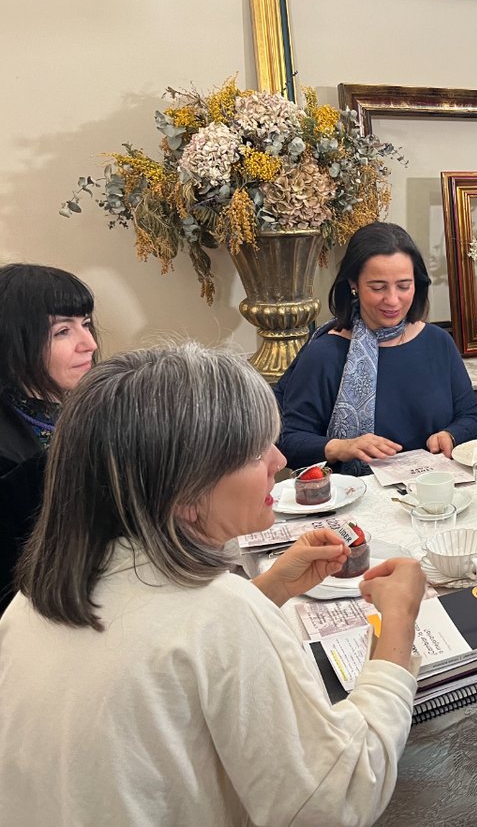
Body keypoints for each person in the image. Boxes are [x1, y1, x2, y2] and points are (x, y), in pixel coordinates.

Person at [0, 342, 427, 825]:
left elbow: (177, 659)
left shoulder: (37, 596)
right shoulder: (217, 613)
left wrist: (266, 589)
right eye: (253, 452)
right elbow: (336, 800)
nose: (279, 459)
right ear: (184, 491)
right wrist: (397, 626)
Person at [277, 222, 477, 473]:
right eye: (378, 287)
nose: (393, 300)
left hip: (435, 491)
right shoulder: (325, 354)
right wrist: (340, 447)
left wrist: (450, 435)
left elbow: (472, 416)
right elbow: (288, 440)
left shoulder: (437, 342)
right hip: (357, 501)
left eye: (404, 286)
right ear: (353, 284)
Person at [0, 264, 99, 607]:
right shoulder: (9, 460)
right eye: (62, 332)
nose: (89, 343)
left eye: (85, 325)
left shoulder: (84, 408)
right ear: (15, 340)